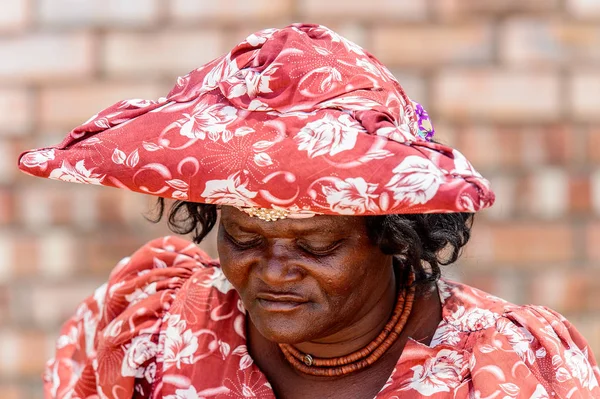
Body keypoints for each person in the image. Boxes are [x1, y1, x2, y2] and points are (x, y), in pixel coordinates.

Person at [18, 24, 600, 399]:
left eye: (316, 247)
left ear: (396, 236)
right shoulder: (151, 331)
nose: (272, 272)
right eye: (244, 239)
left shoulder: (507, 367)